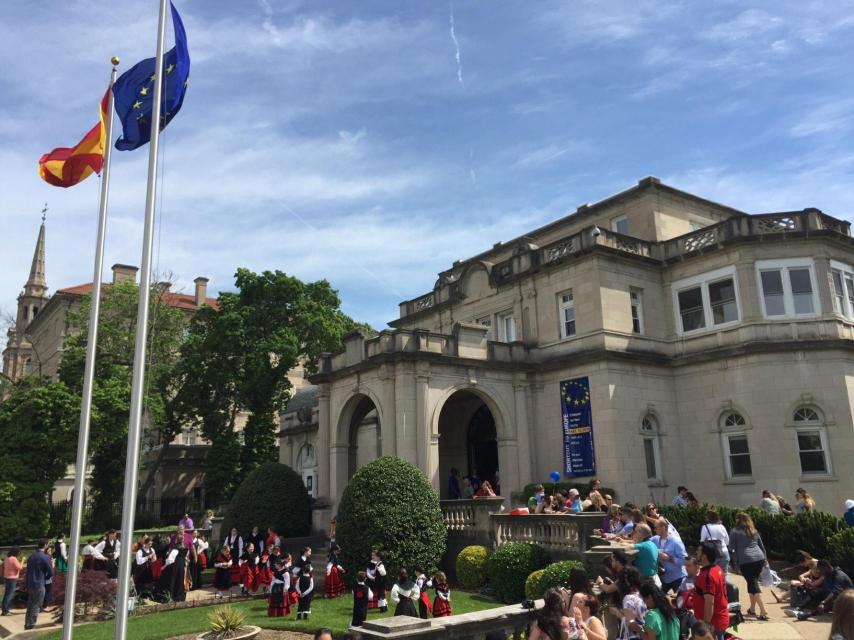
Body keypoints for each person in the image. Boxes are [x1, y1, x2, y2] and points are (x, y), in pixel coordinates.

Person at [729, 511, 768, 620]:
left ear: (738, 519)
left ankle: (763, 611)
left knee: (753, 585)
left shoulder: (734, 531)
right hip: (759, 558)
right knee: (752, 583)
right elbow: (761, 546)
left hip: (745, 560)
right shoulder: (753, 530)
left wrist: (734, 562)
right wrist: (765, 559)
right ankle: (752, 609)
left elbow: (731, 548)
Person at [695, 541, 729, 640]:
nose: (696, 552)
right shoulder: (717, 569)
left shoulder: (708, 575)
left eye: (699, 550)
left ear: (704, 555)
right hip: (719, 620)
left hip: (714, 624)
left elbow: (710, 603)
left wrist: (706, 628)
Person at [610, 566, 646, 640]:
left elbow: (631, 624)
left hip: (634, 637)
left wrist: (616, 612)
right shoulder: (640, 593)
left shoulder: (628, 599)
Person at [24, 539, 53, 630]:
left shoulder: (31, 556)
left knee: (30, 604)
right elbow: (50, 571)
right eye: (48, 544)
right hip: (39, 583)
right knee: (36, 604)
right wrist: (46, 577)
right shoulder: (45, 557)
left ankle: (27, 623)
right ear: (45, 545)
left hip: (30, 583)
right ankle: (31, 624)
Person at [653, 517, 686, 594]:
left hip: (678, 578)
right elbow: (645, 542)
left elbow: (684, 560)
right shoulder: (655, 539)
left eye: (656, 528)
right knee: (659, 599)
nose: (654, 530)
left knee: (680, 599)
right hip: (664, 578)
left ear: (663, 528)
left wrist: (669, 558)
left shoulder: (676, 541)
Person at [2, 547, 22, 617]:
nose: (19, 553)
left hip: (7, 578)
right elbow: (19, 567)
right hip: (12, 579)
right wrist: (22, 561)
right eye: (19, 552)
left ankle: (5, 610)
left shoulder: (7, 558)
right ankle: (5, 611)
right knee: (9, 595)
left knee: (6, 594)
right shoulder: (14, 559)